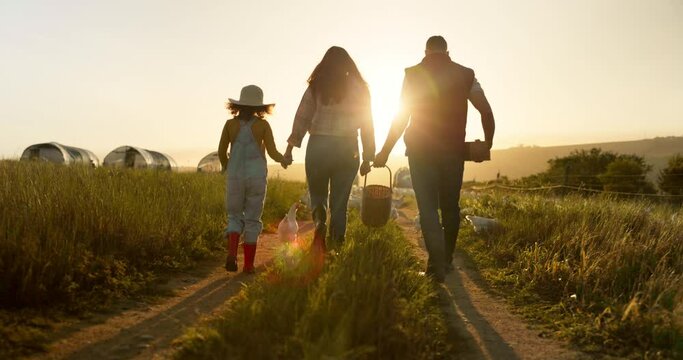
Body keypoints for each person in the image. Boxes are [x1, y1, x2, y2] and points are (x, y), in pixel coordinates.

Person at [373, 36, 495, 282]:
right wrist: (488, 142)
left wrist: (385, 150)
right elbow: (486, 110)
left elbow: (402, 116)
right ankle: (446, 260)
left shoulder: (412, 74)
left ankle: (435, 264)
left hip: (420, 151)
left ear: (426, 51)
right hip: (453, 151)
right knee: (450, 206)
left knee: (428, 208)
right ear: (447, 50)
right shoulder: (466, 74)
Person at [284, 46, 375, 259]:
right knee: (340, 201)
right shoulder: (360, 89)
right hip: (347, 148)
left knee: (317, 196)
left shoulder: (316, 86)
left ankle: (320, 227)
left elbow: (302, 118)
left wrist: (290, 149)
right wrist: (369, 155)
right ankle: (337, 244)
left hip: (319, 147)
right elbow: (367, 123)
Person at [218, 85, 291, 273]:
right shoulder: (263, 125)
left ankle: (232, 255)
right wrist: (283, 160)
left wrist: (227, 166)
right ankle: (249, 265)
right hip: (257, 176)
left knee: (234, 216)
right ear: (260, 107)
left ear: (239, 104)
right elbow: (273, 152)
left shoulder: (230, 125)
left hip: (235, 175)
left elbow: (221, 151)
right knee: (252, 218)